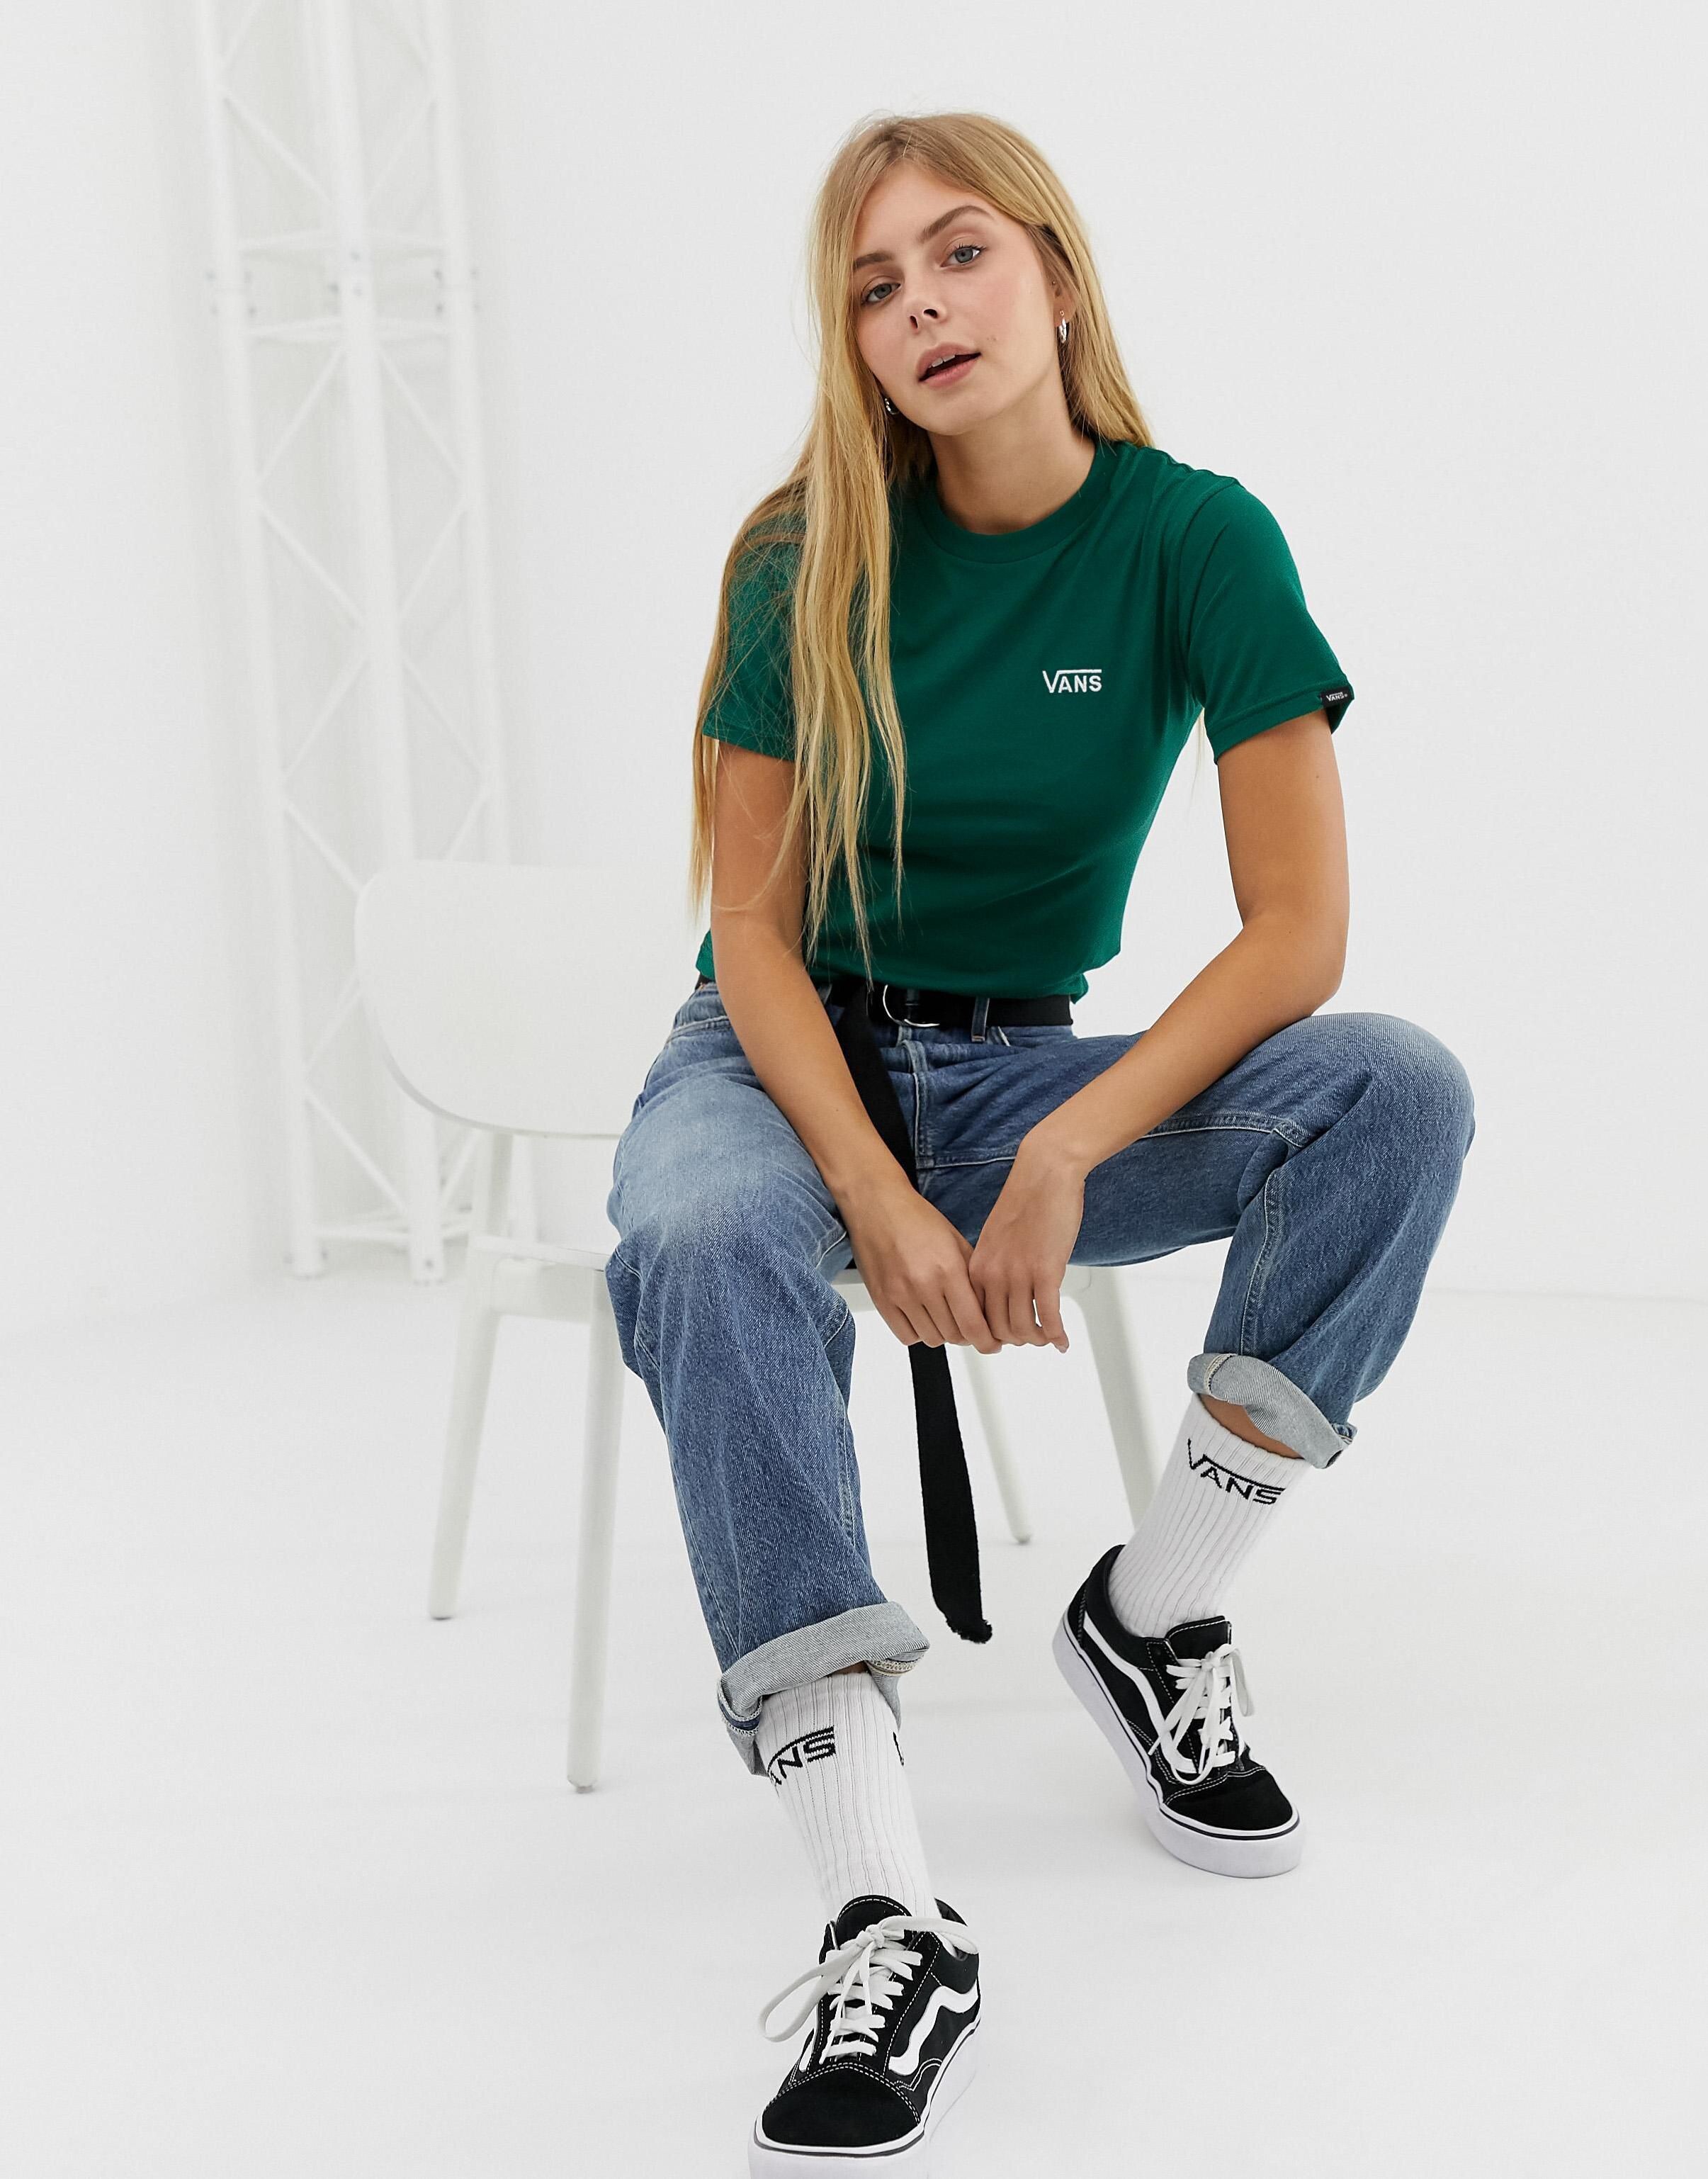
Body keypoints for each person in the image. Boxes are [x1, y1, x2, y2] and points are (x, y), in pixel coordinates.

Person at [603, 108, 1475, 2178]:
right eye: (872, 288)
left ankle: (1152, 1618)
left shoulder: (1195, 541)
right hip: (775, 1057)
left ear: (1057, 279)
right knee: (703, 1234)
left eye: (960, 254)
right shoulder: (800, 552)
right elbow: (749, 930)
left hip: (1014, 1073)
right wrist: (873, 1189)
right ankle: (880, 1910)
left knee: (1394, 1088)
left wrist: (1066, 1146)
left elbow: (1297, 935)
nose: (920, 308)